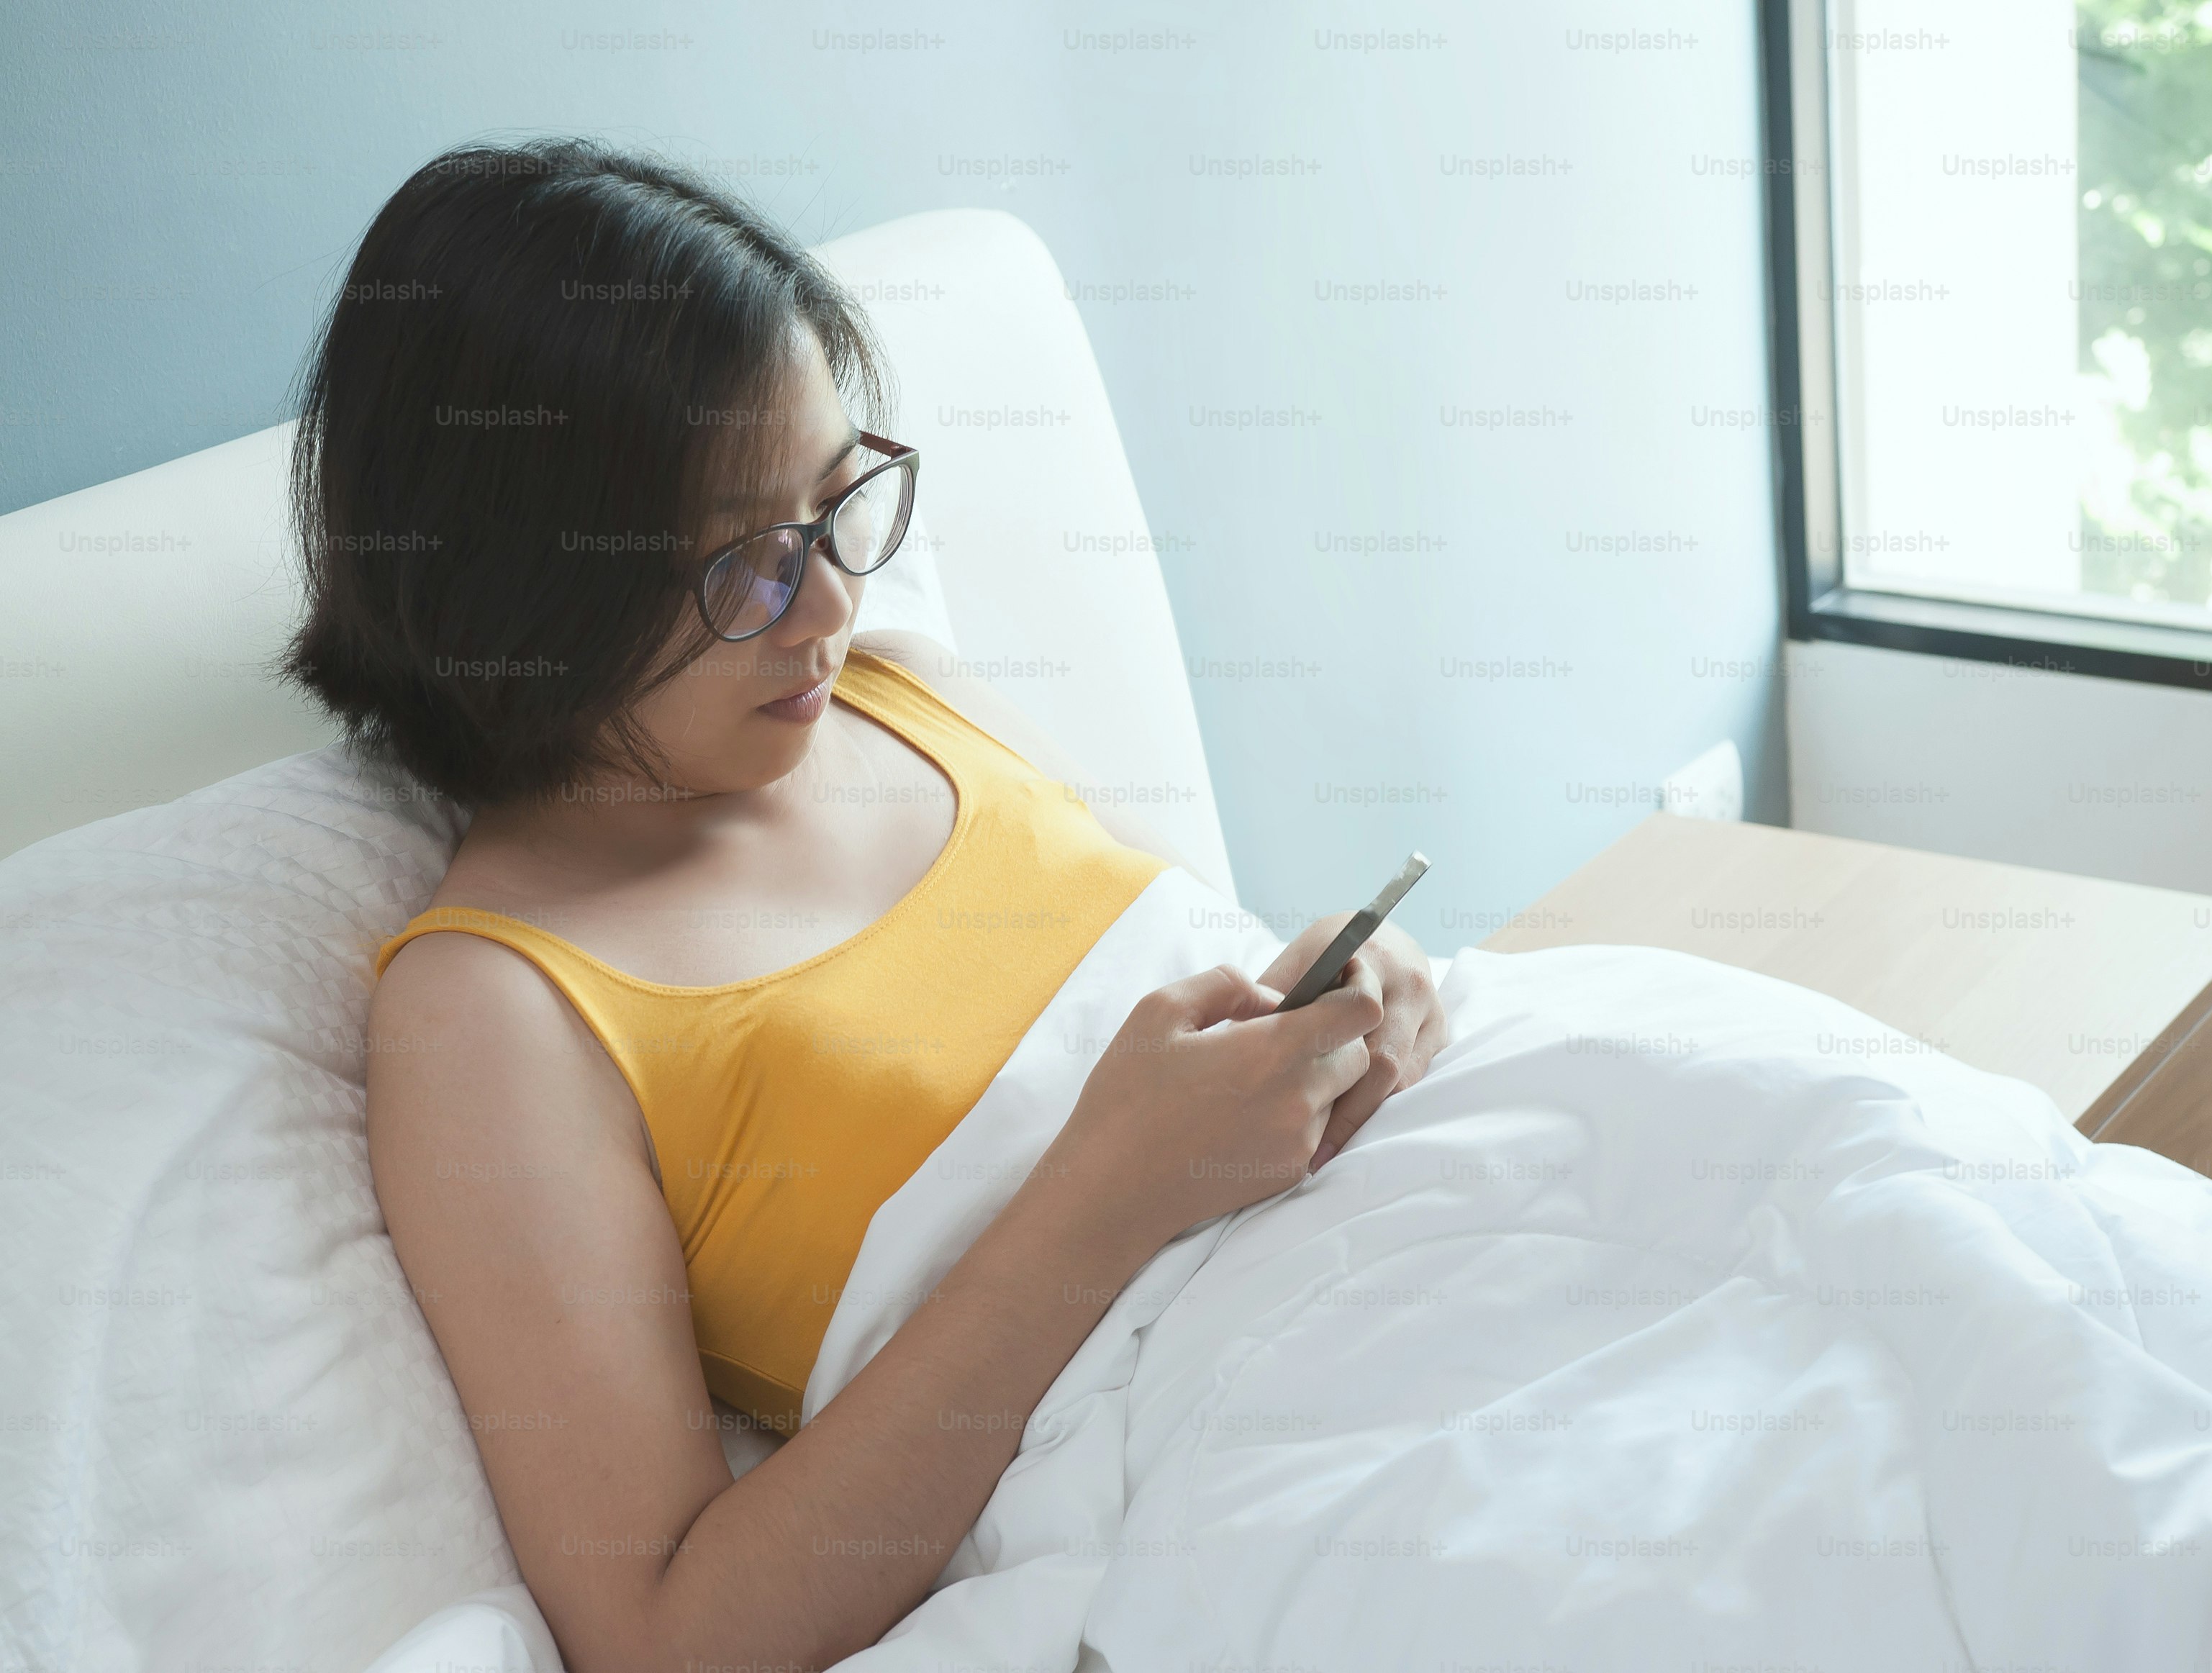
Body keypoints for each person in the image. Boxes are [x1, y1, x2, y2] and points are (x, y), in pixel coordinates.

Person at [294, 138, 1449, 1673]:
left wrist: (1348, 1003)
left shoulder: (911, 698)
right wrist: (1108, 1188)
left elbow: (1202, 1006)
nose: (834, 604)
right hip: (1245, 1442)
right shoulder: (496, 1006)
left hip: (1423, 1230)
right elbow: (670, 1633)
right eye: (742, 567)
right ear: (518, 590)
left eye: (840, 506)